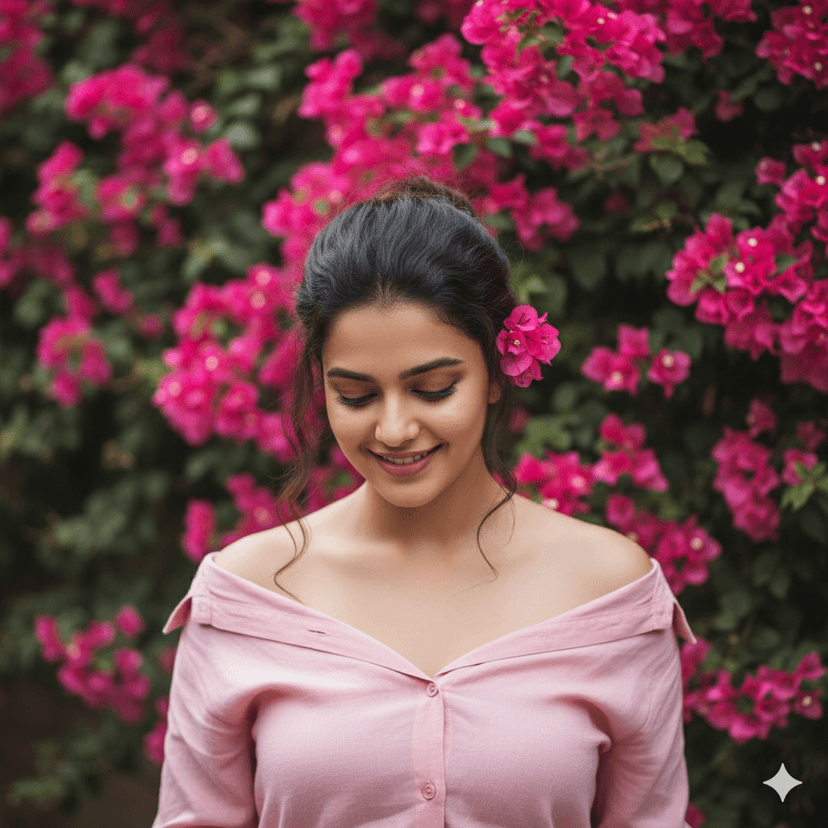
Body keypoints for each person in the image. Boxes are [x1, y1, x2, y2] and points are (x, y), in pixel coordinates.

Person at [151, 177, 697, 827]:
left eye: (434, 388)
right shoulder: (245, 597)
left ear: (496, 372)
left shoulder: (611, 594)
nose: (393, 429)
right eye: (355, 395)